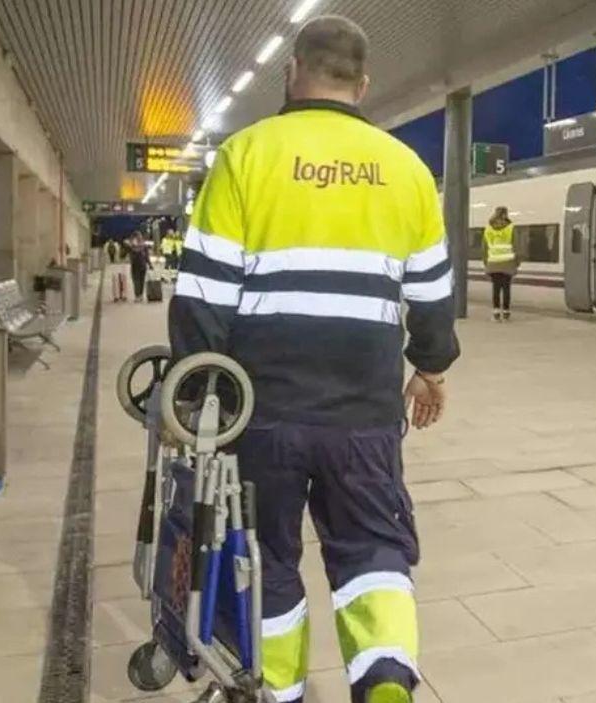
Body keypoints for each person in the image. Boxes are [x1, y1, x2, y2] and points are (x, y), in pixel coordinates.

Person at [167, 15, 459, 703]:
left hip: (261, 410)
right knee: (374, 548)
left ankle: (278, 689)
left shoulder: (245, 154)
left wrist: (195, 393)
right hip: (365, 411)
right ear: (364, 83)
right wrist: (431, 368)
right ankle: (385, 679)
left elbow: (204, 294)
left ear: (292, 70)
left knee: (265, 556)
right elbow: (432, 294)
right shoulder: (406, 168)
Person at [482, 206, 518, 321]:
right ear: (506, 214)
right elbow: (516, 246)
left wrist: (486, 263)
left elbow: (484, 248)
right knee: (506, 288)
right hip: (507, 263)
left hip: (493, 263)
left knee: (496, 288)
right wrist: (517, 263)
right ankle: (506, 312)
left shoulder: (488, 229)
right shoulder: (511, 228)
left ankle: (496, 312)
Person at [127, 232, 151, 302]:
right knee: (141, 281)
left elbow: (122, 255)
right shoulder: (144, 245)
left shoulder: (132, 246)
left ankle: (137, 296)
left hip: (135, 265)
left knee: (136, 281)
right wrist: (150, 264)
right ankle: (140, 295)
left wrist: (129, 245)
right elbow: (147, 256)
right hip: (143, 265)